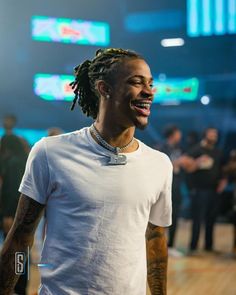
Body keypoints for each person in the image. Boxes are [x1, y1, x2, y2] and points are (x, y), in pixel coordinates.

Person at [0, 48, 173, 295]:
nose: (149, 92)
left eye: (151, 84)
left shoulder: (160, 164)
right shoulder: (50, 153)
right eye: (136, 82)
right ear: (104, 88)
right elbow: (20, 240)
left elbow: (155, 240)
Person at [185, 127, 226, 253]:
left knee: (211, 219)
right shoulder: (196, 149)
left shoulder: (218, 152)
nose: (214, 136)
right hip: (199, 190)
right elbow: (187, 168)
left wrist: (223, 182)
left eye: (215, 134)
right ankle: (193, 247)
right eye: (211, 134)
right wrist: (197, 162)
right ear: (205, 135)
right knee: (197, 219)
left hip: (214, 190)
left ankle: (209, 246)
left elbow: (222, 169)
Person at [0, 135, 28, 295]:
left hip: (13, 215)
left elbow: (14, 191)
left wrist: (9, 214)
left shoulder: (14, 163)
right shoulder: (21, 161)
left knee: (16, 251)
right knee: (19, 250)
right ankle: (19, 285)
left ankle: (19, 286)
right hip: (16, 214)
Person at [160, 125, 184, 257]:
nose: (180, 135)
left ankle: (171, 246)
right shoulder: (162, 148)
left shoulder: (178, 148)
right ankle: (158, 245)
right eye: (178, 133)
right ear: (172, 134)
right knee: (160, 216)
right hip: (165, 186)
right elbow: (162, 165)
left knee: (175, 215)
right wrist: (178, 162)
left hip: (176, 185)